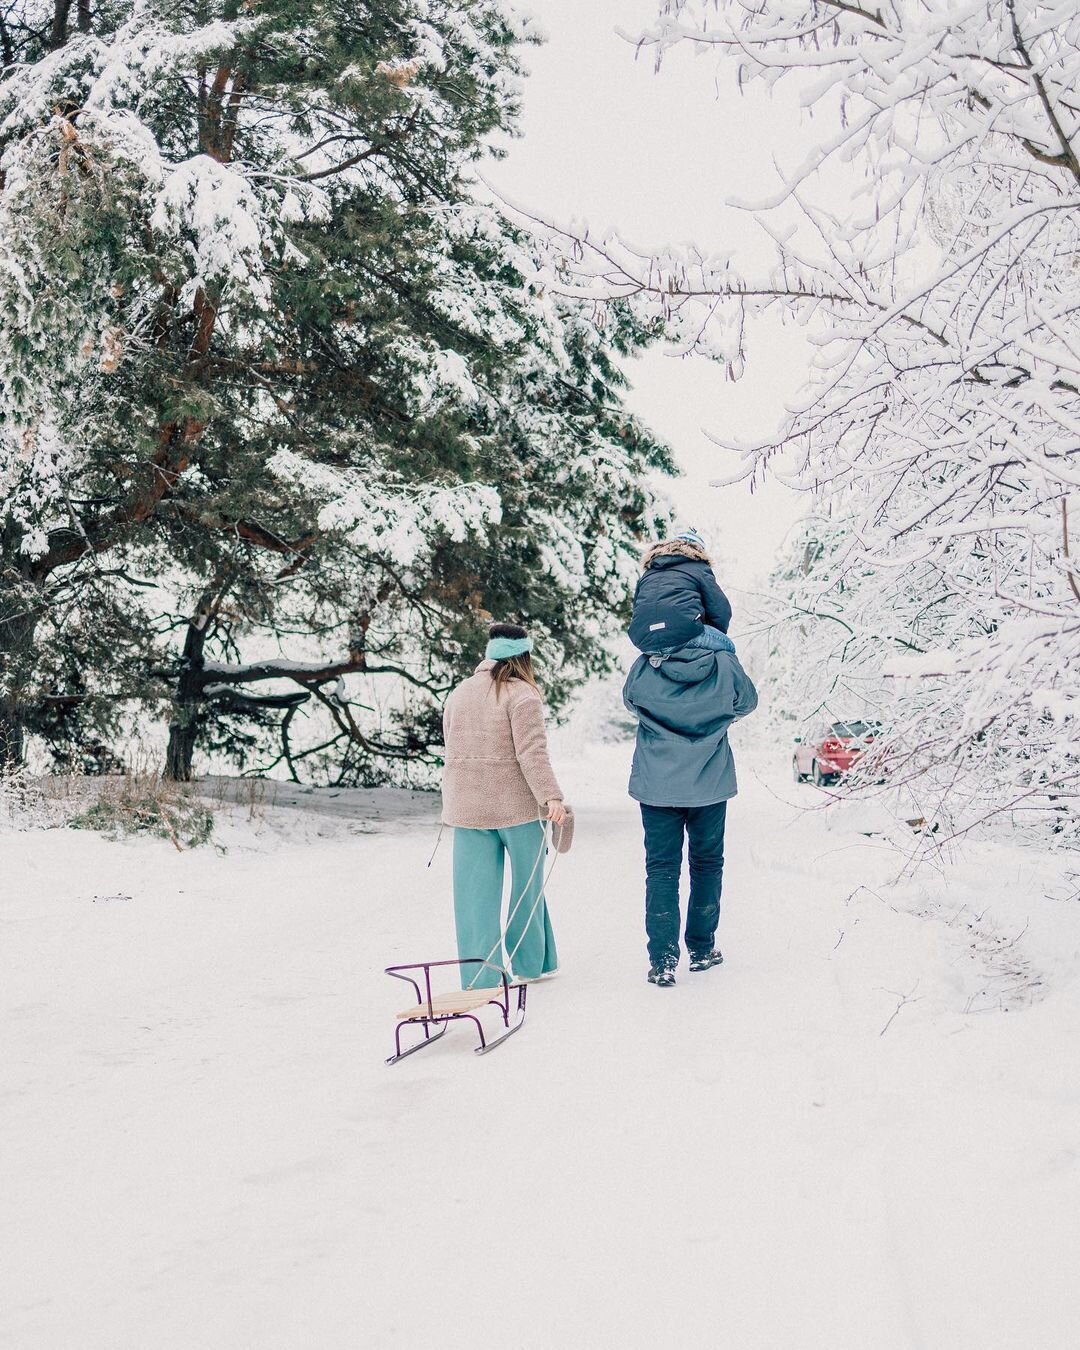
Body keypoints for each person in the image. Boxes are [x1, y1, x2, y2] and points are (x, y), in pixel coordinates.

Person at [622, 610, 758, 987]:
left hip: (657, 784)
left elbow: (631, 702)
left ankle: (663, 960)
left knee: (661, 868)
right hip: (709, 782)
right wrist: (717, 715)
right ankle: (701, 949)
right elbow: (747, 702)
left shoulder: (646, 665)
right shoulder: (725, 663)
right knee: (707, 864)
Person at [441, 622, 567, 989]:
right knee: (527, 890)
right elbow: (532, 753)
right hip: (518, 809)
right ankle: (532, 963)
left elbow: (451, 747)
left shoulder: (459, 693)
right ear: (524, 657)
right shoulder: (523, 695)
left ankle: (482, 976)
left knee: (473, 898)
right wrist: (552, 797)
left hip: (467, 808)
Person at [628, 529, 733, 655]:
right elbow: (720, 609)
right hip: (684, 632)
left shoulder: (648, 573)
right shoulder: (699, 567)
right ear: (699, 551)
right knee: (728, 646)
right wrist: (712, 629)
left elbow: (637, 608)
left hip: (644, 640)